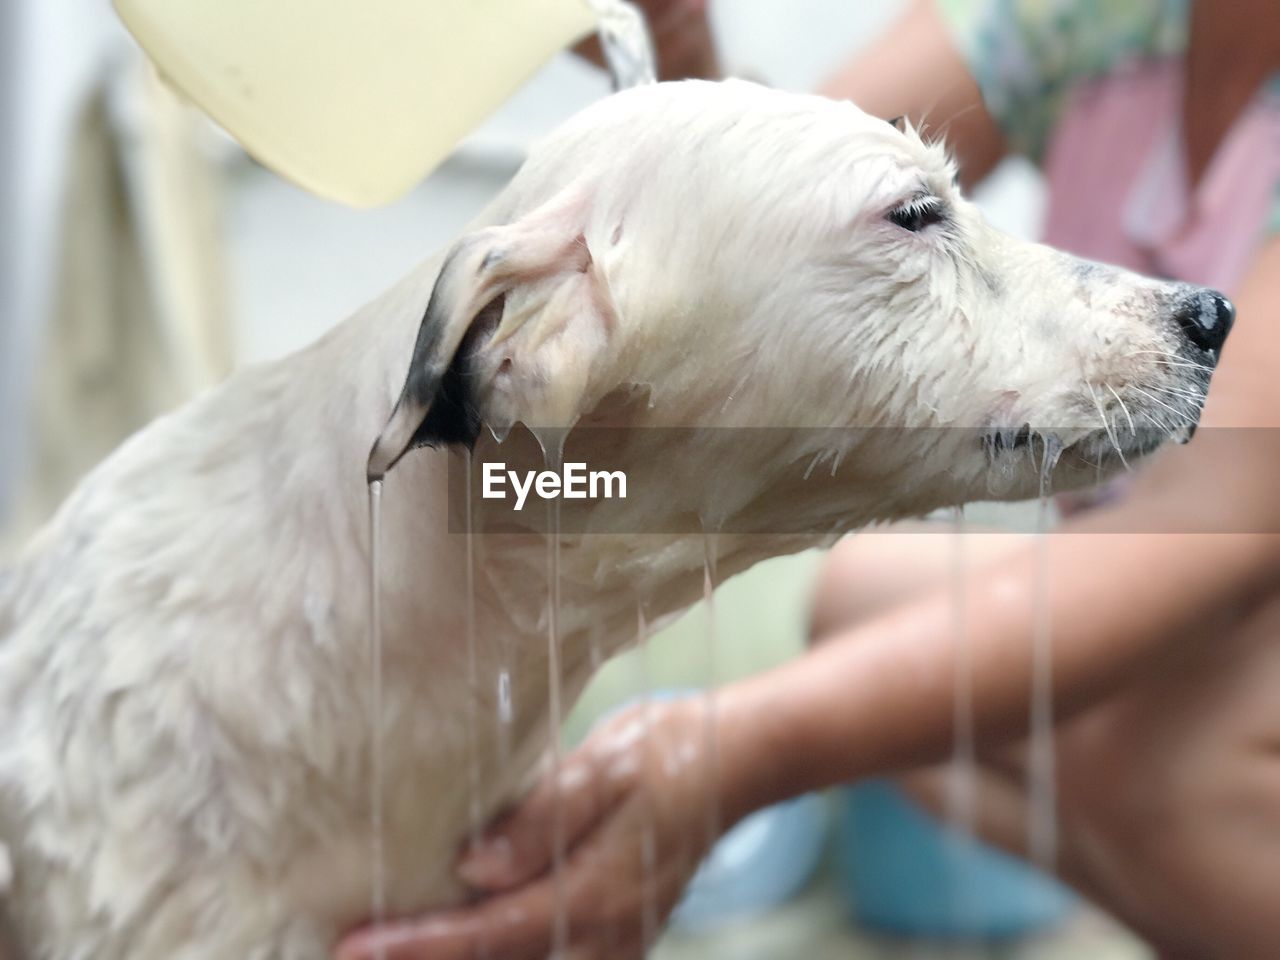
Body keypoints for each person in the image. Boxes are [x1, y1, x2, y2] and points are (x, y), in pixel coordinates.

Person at [336, 1, 1280, 957]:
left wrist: (732, 756)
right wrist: (681, 44)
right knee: (865, 602)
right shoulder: (1093, 17)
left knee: (1167, 766)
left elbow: (1198, 533)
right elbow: (796, 206)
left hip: (1237, 616)